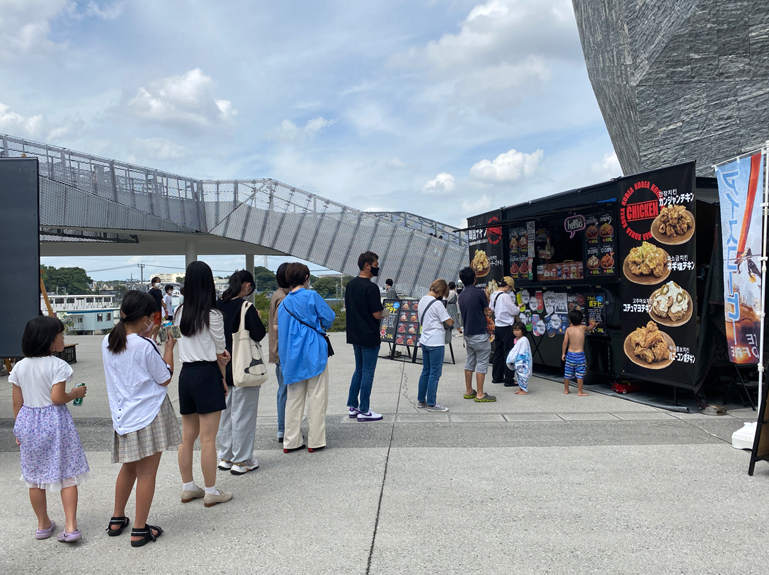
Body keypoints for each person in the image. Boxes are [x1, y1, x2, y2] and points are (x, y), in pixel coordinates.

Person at [102, 290, 181, 547]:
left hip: (123, 415)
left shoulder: (108, 341)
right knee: (147, 473)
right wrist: (168, 348)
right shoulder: (145, 345)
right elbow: (165, 377)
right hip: (149, 413)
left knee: (129, 467)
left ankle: (117, 519)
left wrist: (147, 337)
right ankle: (139, 530)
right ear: (146, 317)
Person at [10, 316, 89, 543]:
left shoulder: (19, 366)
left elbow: (17, 403)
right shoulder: (58, 365)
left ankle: (43, 525)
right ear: (49, 340)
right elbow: (57, 398)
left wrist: (19, 430)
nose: (63, 337)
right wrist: (75, 393)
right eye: (60, 334)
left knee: (33, 478)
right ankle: (71, 526)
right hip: (55, 424)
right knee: (68, 475)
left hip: (29, 422)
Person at [174, 261, 233, 507]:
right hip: (207, 374)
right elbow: (221, 352)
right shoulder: (213, 315)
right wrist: (223, 375)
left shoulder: (178, 313)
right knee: (209, 438)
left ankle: (189, 487)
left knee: (188, 437)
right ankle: (211, 491)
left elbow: (176, 340)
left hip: (186, 375)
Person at [279, 263, 336, 452]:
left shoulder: (284, 303)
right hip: (314, 352)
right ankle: (315, 441)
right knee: (317, 397)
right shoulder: (312, 296)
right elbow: (329, 317)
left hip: (292, 356)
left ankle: (291, 441)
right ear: (306, 277)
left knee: (294, 399)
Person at [216, 270, 266, 475]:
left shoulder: (218, 306)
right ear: (246, 285)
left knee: (225, 415)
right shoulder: (246, 307)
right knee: (243, 415)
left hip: (222, 368)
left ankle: (225, 456)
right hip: (243, 367)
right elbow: (259, 334)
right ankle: (242, 460)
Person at [345, 251, 385, 422]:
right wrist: (387, 313)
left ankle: (353, 406)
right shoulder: (371, 287)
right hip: (369, 335)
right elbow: (376, 314)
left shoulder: (350, 284)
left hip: (355, 334)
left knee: (359, 370)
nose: (377, 267)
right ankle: (365, 410)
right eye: (376, 264)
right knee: (368, 372)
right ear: (367, 265)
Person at [457, 267, 496, 402]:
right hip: (480, 333)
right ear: (474, 278)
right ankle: (480, 393)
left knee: (470, 361)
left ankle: (469, 390)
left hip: (468, 333)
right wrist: (489, 312)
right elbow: (487, 311)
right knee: (482, 362)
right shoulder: (479, 293)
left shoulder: (461, 295)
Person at [417, 279, 454, 412]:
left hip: (425, 340)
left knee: (425, 371)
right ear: (440, 290)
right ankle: (432, 403)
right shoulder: (437, 304)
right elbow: (449, 322)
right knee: (435, 373)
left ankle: (421, 400)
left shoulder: (422, 300)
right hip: (436, 342)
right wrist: (453, 319)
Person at [269, 263, 290, 443]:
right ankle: (283, 428)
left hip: (277, 351)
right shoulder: (283, 298)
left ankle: (283, 428)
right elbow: (277, 326)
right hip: (284, 352)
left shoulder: (277, 294)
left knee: (283, 390)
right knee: (285, 390)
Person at [489, 276, 520, 387]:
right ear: (507, 286)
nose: (510, 290)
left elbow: (491, 308)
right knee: (509, 352)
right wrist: (518, 307)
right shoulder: (505, 296)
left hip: (498, 326)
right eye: (510, 288)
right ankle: (509, 379)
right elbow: (513, 311)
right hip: (507, 327)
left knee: (498, 352)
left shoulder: (494, 294)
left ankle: (496, 377)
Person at [562, 310, 596, 396]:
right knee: (580, 373)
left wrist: (563, 353)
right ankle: (580, 391)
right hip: (579, 354)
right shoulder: (583, 327)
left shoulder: (568, 329)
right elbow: (589, 328)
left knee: (567, 373)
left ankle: (566, 390)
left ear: (570, 320)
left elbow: (565, 342)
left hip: (570, 354)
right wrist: (593, 325)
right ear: (581, 320)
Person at [507, 321, 532, 395]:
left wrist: (518, 358)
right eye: (514, 330)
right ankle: (521, 388)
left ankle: (524, 390)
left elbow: (523, 351)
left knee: (523, 375)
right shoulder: (516, 339)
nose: (516, 332)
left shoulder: (524, 339)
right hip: (518, 360)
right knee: (518, 375)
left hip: (522, 360)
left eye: (518, 330)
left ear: (523, 331)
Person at [148, 277, 164, 342]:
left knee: (159, 325)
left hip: (159, 309)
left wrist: (165, 308)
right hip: (155, 309)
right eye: (157, 282)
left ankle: (154, 339)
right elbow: (148, 300)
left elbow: (161, 300)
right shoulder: (151, 291)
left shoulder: (159, 291)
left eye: (159, 282)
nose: (158, 283)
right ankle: (149, 337)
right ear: (153, 283)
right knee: (156, 324)